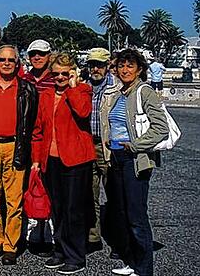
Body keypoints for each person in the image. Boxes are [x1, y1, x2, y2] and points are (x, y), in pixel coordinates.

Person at [100, 49, 169, 276]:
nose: (125, 70)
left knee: (137, 215)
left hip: (135, 159)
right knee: (123, 212)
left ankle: (144, 269)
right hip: (118, 157)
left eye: (130, 65)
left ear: (140, 69)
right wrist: (112, 139)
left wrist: (136, 144)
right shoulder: (123, 93)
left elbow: (160, 127)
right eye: (121, 65)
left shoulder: (144, 91)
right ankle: (131, 261)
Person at [31, 53, 95, 275]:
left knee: (73, 210)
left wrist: (73, 86)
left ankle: (75, 256)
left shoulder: (83, 90)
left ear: (72, 73)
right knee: (57, 208)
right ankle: (59, 249)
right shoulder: (46, 95)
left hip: (76, 160)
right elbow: (38, 131)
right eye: (56, 73)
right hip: (52, 160)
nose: (59, 77)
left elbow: (83, 111)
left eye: (64, 73)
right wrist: (37, 160)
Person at [0, 45, 38, 265]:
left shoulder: (27, 89)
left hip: (15, 146)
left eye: (10, 60)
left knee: (14, 200)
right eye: (2, 59)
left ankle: (10, 245)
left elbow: (32, 124)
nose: (6, 63)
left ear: (17, 63)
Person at [21, 39, 55, 256]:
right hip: (27, 139)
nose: (37, 57)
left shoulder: (55, 79)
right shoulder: (24, 79)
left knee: (48, 188)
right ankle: (33, 232)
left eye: (41, 54)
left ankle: (48, 234)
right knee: (31, 187)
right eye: (33, 54)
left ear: (48, 56)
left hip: (48, 140)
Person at [85, 48, 117, 252]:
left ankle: (117, 237)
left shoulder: (117, 88)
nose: (95, 68)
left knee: (114, 194)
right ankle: (93, 236)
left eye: (99, 65)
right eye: (92, 65)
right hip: (88, 145)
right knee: (89, 194)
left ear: (108, 66)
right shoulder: (83, 86)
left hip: (108, 147)